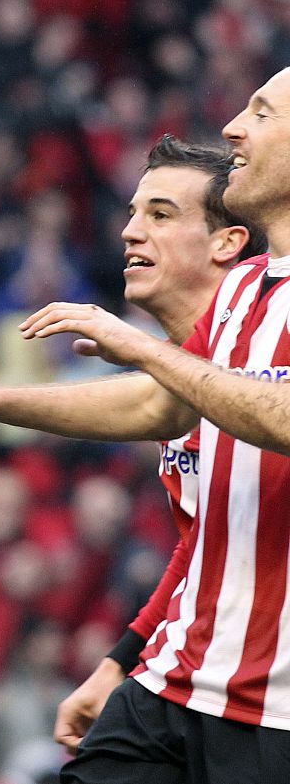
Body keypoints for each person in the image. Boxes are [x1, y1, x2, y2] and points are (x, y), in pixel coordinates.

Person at [0, 70, 290, 782]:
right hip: (177, 681)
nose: (235, 125)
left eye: (261, 113)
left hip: (274, 708)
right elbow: (178, 455)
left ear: (224, 241)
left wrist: (143, 349)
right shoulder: (243, 293)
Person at [51, 137, 261, 754]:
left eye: (160, 215)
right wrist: (120, 659)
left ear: (228, 242)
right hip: (186, 679)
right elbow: (205, 543)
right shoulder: (183, 369)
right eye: (133, 212)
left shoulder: (262, 355)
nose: (129, 232)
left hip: (252, 699)